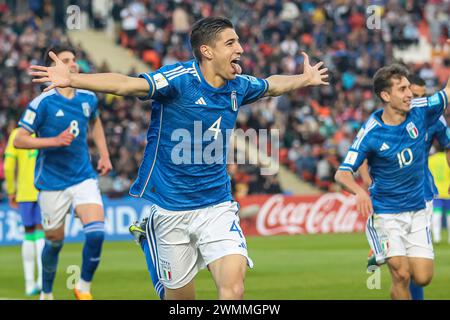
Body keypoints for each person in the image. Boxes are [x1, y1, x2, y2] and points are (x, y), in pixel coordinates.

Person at [29, 17, 328, 300]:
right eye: (231, 42)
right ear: (206, 51)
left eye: (238, 42)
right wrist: (73, 79)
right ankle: (149, 239)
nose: (240, 48)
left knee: (233, 290)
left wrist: (304, 78)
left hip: (217, 207)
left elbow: (272, 84)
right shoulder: (179, 80)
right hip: (171, 209)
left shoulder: (238, 86)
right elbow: (126, 84)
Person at [335, 63, 449, 300]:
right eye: (402, 89)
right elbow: (342, 173)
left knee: (423, 277)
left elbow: (448, 92)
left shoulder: (421, 109)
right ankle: (383, 249)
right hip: (386, 214)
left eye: (409, 88)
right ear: (385, 96)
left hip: (418, 209)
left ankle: (384, 254)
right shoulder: (371, 132)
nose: (409, 94)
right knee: (401, 274)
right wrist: (360, 192)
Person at [15, 45, 112, 300]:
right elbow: (20, 140)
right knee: (54, 241)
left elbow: (95, 122)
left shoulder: (88, 97)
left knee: (97, 232)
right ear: (53, 68)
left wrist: (104, 154)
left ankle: (83, 287)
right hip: (52, 182)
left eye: (74, 59)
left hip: (83, 177)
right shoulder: (42, 103)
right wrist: (53, 141)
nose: (72, 64)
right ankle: (46, 293)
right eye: (65, 60)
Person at [4, 127, 44, 296]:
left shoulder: (16, 134)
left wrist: (11, 190)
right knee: (43, 233)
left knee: (28, 233)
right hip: (44, 189)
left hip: (25, 192)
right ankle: (42, 280)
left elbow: (8, 166)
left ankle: (29, 284)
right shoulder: (45, 131)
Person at [429, 148, 450, 244]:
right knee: (449, 216)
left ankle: (437, 238)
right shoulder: (447, 158)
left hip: (436, 192)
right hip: (447, 192)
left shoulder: (431, 159)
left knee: (436, 215)